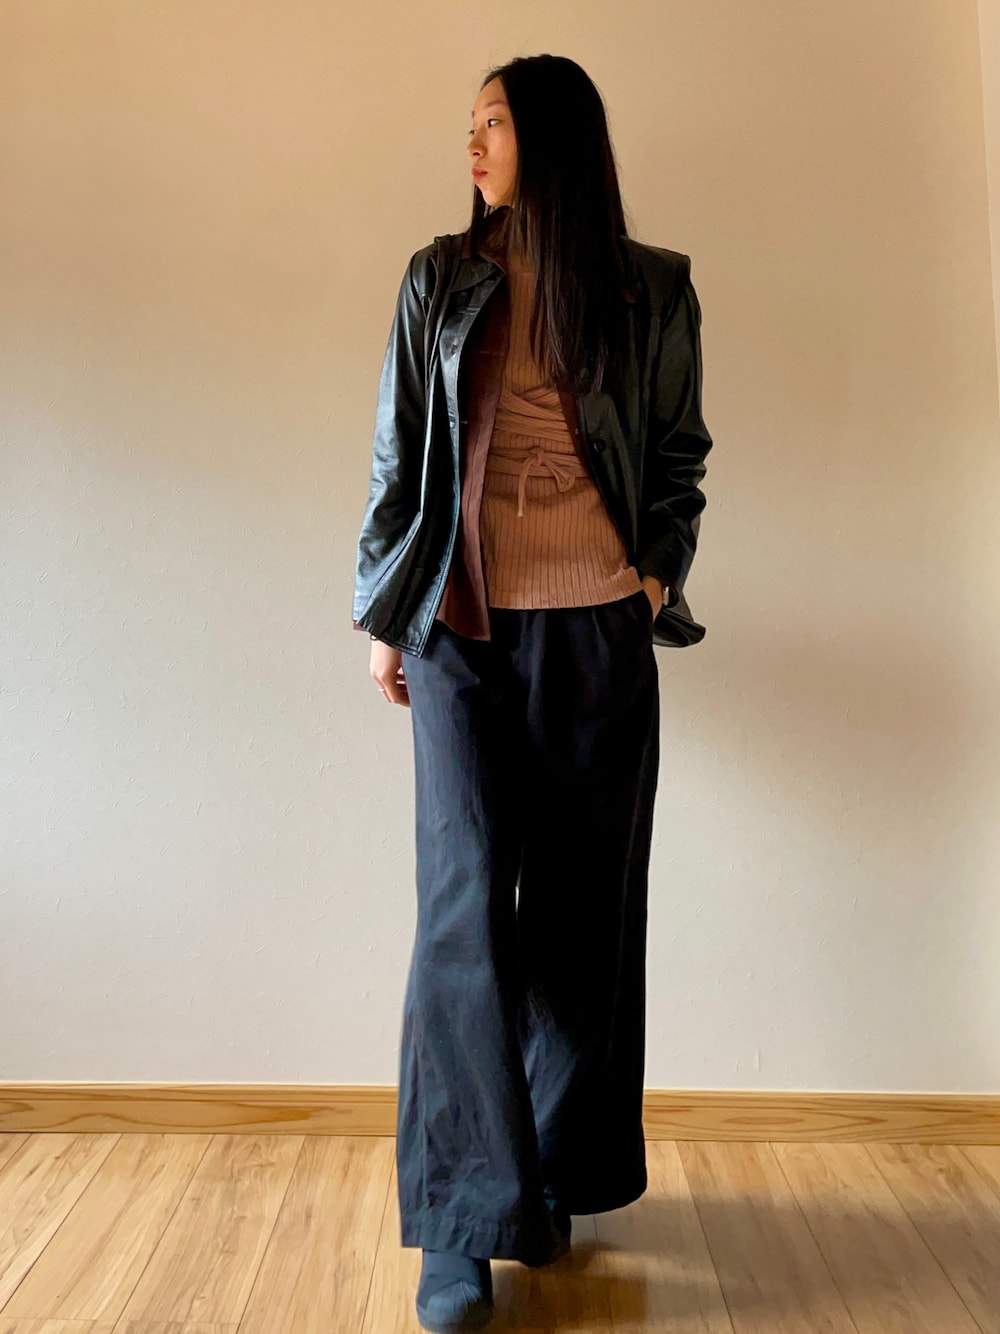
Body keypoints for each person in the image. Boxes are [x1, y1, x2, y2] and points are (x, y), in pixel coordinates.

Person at [352, 53, 712, 1334]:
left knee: (579, 918)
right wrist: (383, 613)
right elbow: (400, 455)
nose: (472, 144)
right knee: (461, 912)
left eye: (493, 123)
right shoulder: (439, 279)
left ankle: (546, 1175)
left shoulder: (649, 287)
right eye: (470, 124)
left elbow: (678, 455)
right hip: (461, 627)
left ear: (552, 139)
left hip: (598, 633)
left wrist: (652, 577)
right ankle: (460, 1221)